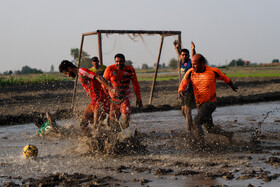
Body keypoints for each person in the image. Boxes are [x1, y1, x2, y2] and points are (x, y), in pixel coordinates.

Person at [178, 54, 238, 145]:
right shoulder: (190, 72)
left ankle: (202, 145)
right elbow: (183, 83)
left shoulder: (213, 71)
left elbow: (225, 78)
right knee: (209, 128)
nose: (193, 66)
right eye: (192, 64)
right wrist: (181, 91)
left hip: (210, 103)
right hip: (200, 103)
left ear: (202, 63)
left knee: (196, 122)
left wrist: (232, 86)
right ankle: (228, 134)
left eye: (195, 64)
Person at [59, 60, 116, 137]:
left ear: (69, 69)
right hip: (94, 102)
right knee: (83, 124)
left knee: (96, 125)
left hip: (101, 100)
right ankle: (90, 141)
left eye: (66, 73)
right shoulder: (79, 74)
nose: (68, 75)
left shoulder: (82, 71)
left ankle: (105, 141)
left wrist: (110, 89)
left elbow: (98, 77)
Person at [103, 53, 142, 129]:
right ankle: (116, 135)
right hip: (113, 99)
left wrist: (138, 98)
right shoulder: (110, 69)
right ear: (114, 61)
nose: (118, 63)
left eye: (120, 61)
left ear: (124, 61)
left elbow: (135, 85)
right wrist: (107, 94)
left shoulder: (130, 69)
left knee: (126, 120)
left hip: (125, 98)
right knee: (113, 122)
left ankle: (124, 134)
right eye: (116, 61)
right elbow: (103, 83)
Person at [174, 41, 196, 132]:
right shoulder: (181, 63)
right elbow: (179, 55)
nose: (184, 56)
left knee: (187, 111)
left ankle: (189, 131)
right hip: (182, 90)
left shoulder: (190, 63)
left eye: (186, 55)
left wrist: (193, 49)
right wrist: (176, 48)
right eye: (183, 55)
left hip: (190, 90)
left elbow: (193, 57)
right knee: (183, 111)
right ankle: (194, 127)